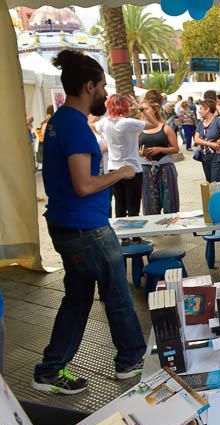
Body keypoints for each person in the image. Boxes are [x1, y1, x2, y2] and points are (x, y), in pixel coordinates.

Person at [33, 50, 146, 394]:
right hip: (86, 229)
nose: (104, 94)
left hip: (68, 225)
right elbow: (83, 185)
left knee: (78, 299)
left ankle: (51, 369)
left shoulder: (57, 123)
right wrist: (120, 173)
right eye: (101, 87)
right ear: (88, 86)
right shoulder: (76, 129)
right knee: (117, 295)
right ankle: (131, 360)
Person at [95, 94, 154, 228]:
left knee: (119, 205)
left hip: (113, 168)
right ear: (124, 106)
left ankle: (123, 236)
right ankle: (135, 237)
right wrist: (141, 109)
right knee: (133, 206)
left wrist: (105, 137)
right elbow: (153, 124)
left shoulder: (104, 122)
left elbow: (91, 126)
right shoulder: (127, 123)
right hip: (132, 168)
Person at [138, 95, 180, 215]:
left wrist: (159, 149)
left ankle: (172, 227)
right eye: (141, 109)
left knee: (169, 199)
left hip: (165, 166)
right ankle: (154, 229)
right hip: (146, 168)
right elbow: (135, 149)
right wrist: (140, 153)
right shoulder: (139, 129)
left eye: (146, 109)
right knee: (149, 201)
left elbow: (175, 148)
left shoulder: (166, 128)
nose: (143, 112)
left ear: (154, 110)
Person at [194, 98, 220, 183]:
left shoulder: (218, 121)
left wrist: (218, 142)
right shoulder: (200, 123)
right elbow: (196, 139)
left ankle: (218, 196)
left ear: (208, 109)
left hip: (217, 158)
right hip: (205, 158)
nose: (199, 111)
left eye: (201, 109)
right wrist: (211, 144)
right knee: (210, 183)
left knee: (215, 184)